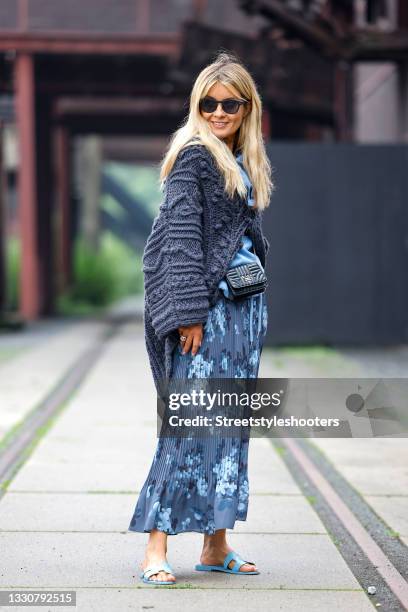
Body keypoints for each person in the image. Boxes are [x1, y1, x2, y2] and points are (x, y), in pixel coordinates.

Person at [128, 51, 273, 585]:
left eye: (228, 103)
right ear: (197, 107)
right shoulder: (194, 156)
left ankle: (216, 545)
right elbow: (181, 240)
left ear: (246, 106)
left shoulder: (241, 159)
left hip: (243, 317)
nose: (217, 112)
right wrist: (188, 312)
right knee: (187, 426)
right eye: (207, 103)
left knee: (229, 430)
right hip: (206, 318)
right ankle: (155, 550)